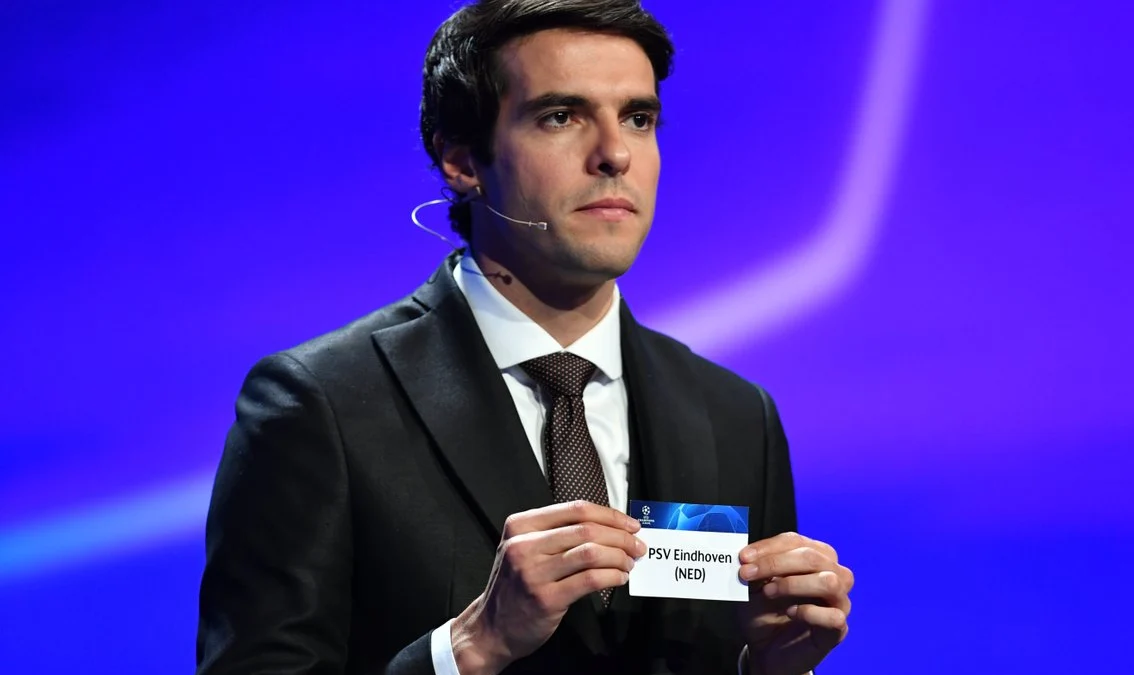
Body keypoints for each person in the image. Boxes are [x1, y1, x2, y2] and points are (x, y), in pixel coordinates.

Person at [195, 1, 854, 673]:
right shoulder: (321, 405)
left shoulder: (737, 416)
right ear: (460, 160)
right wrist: (472, 645)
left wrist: (767, 665)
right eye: (561, 116)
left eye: (638, 117)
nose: (615, 154)